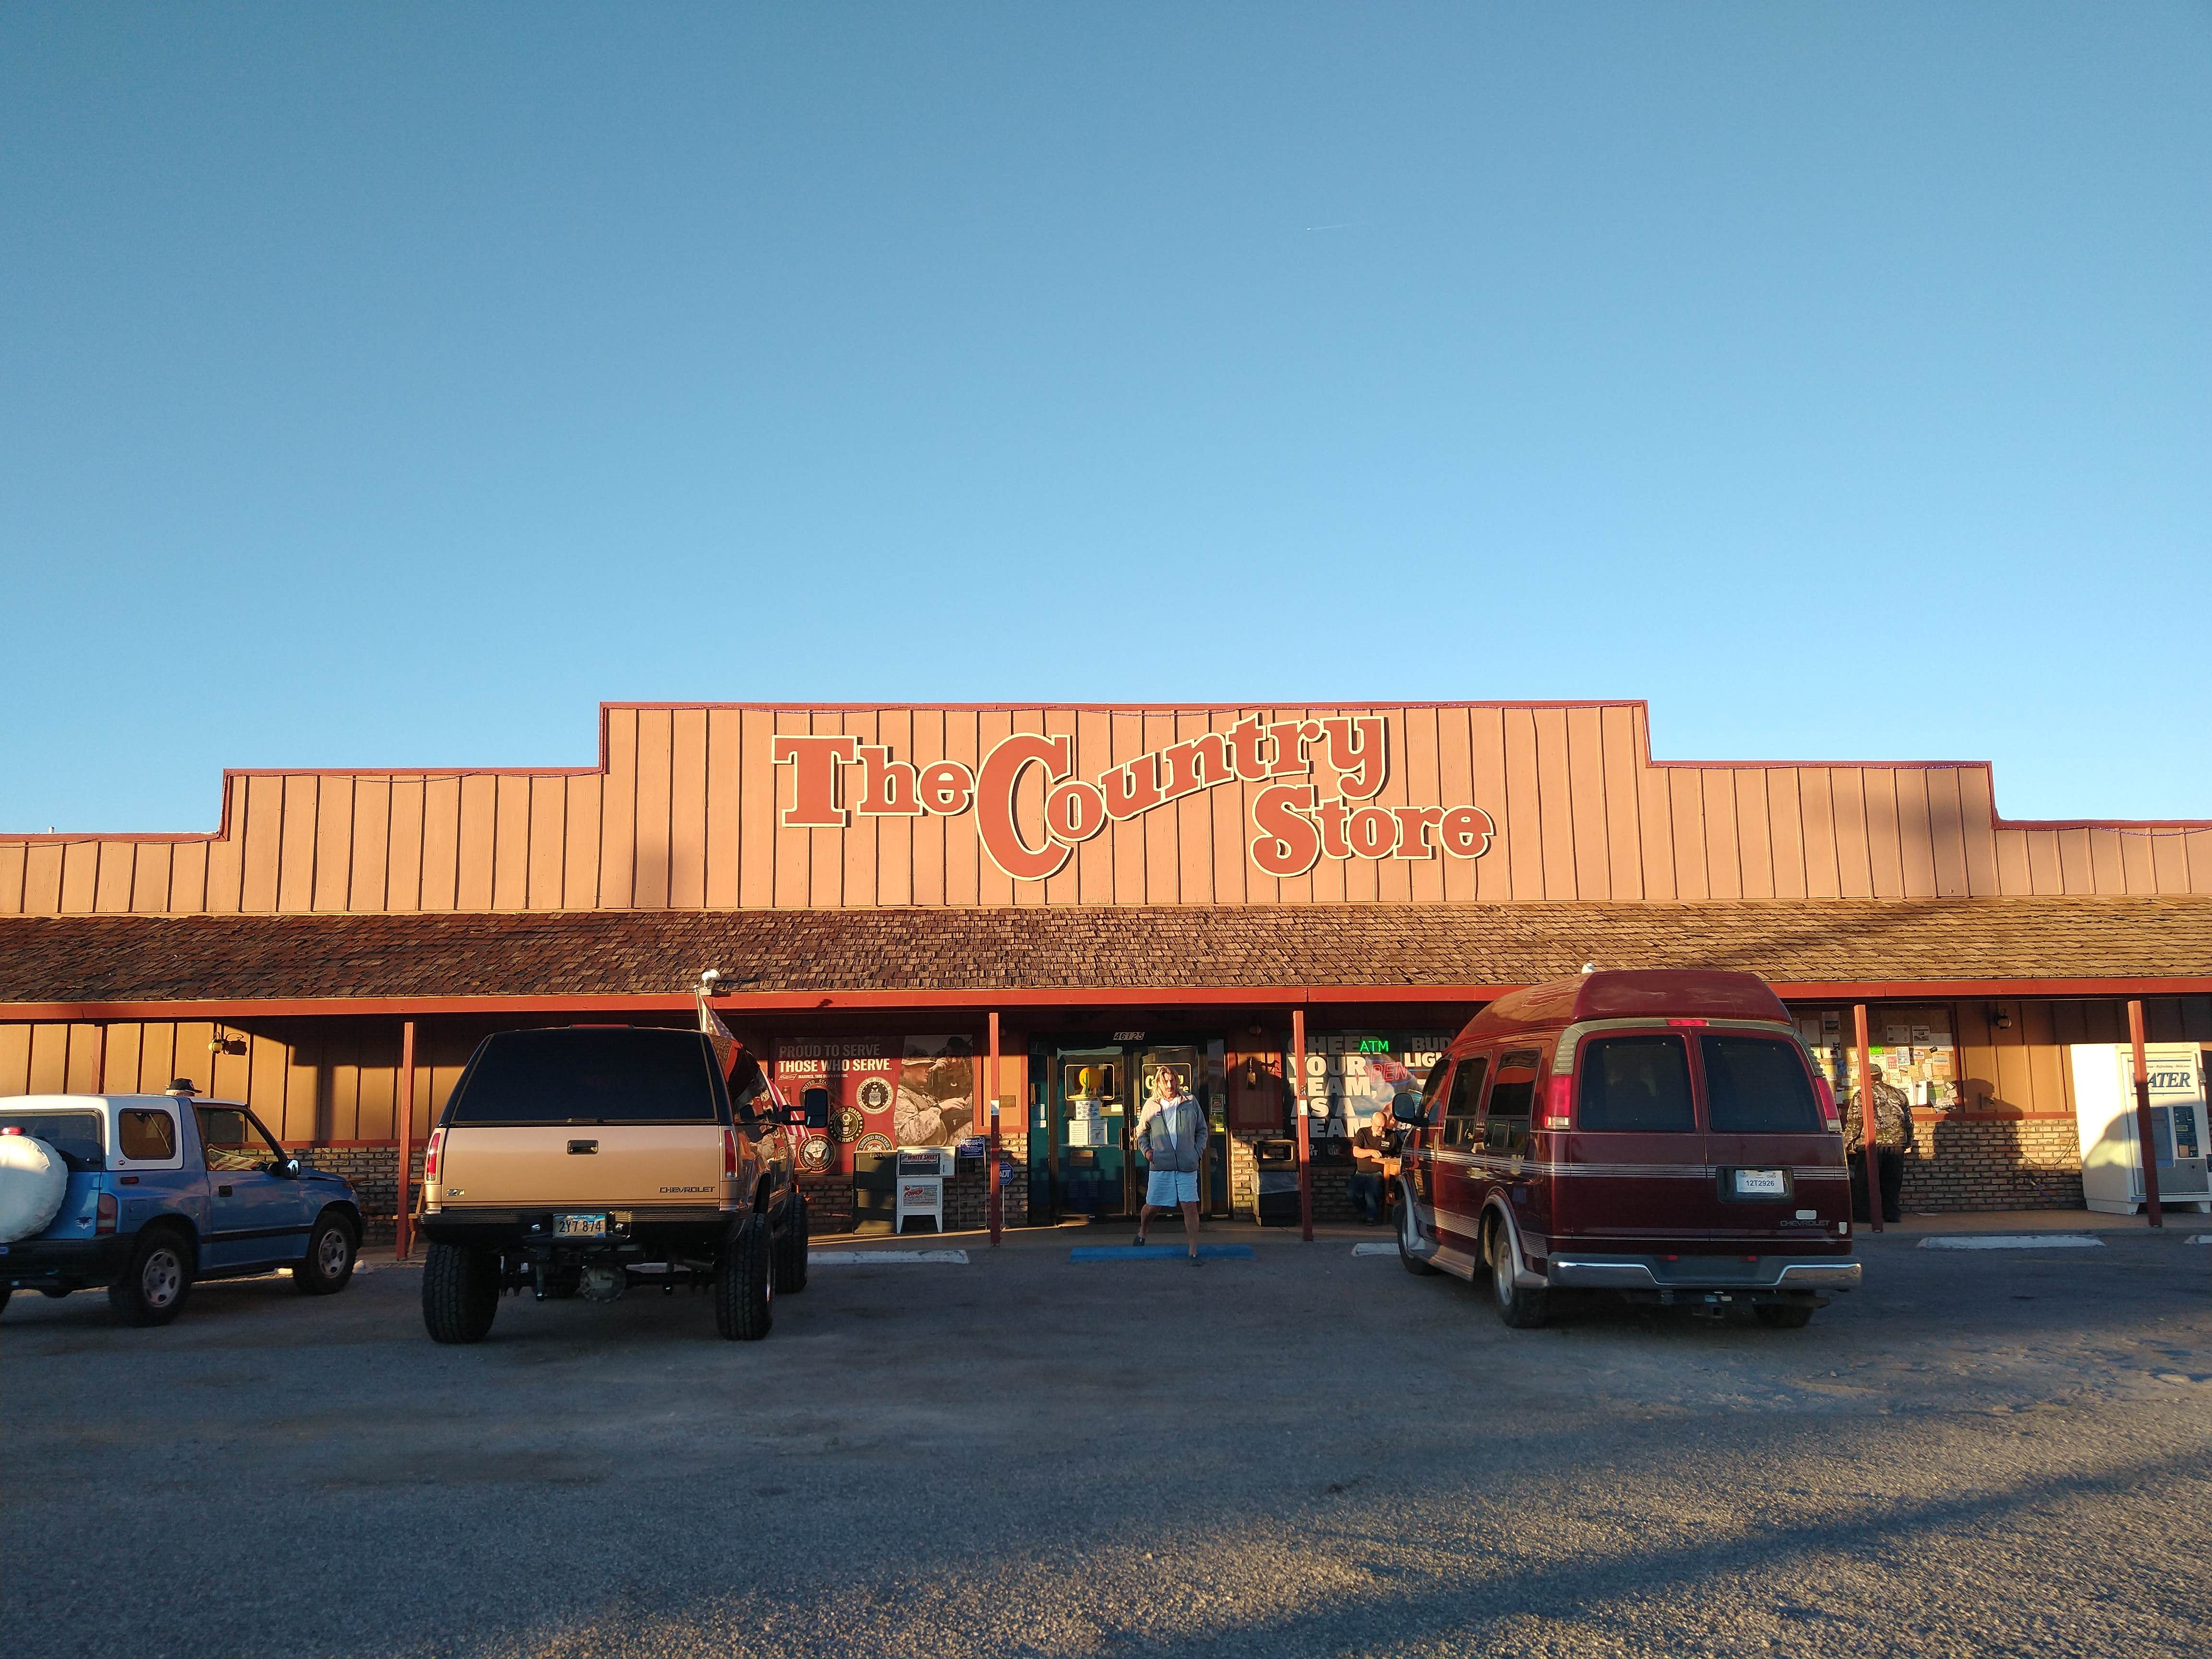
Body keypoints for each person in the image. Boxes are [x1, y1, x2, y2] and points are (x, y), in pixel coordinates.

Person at [1134, 1068, 1208, 1264]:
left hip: (1187, 1165)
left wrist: (1197, 1152)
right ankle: (1143, 1231)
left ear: (1178, 1081)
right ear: (1158, 1083)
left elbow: (1202, 1130)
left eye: (1173, 1080)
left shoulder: (1190, 1101)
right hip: (1161, 1165)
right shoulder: (1151, 1105)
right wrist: (1148, 1152)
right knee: (1153, 1207)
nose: (1170, 1085)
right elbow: (1141, 1132)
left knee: (1189, 1206)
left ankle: (1193, 1251)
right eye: (1166, 1081)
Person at [1845, 1062, 1917, 1224]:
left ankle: (1865, 1215)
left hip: (1870, 1144)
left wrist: (1846, 1144)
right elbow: (1909, 1121)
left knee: (1866, 1182)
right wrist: (1908, 1141)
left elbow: (1855, 1122)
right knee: (1892, 1182)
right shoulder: (1899, 1094)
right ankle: (1891, 1214)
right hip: (1896, 1144)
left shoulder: (1861, 1095)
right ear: (1881, 1076)